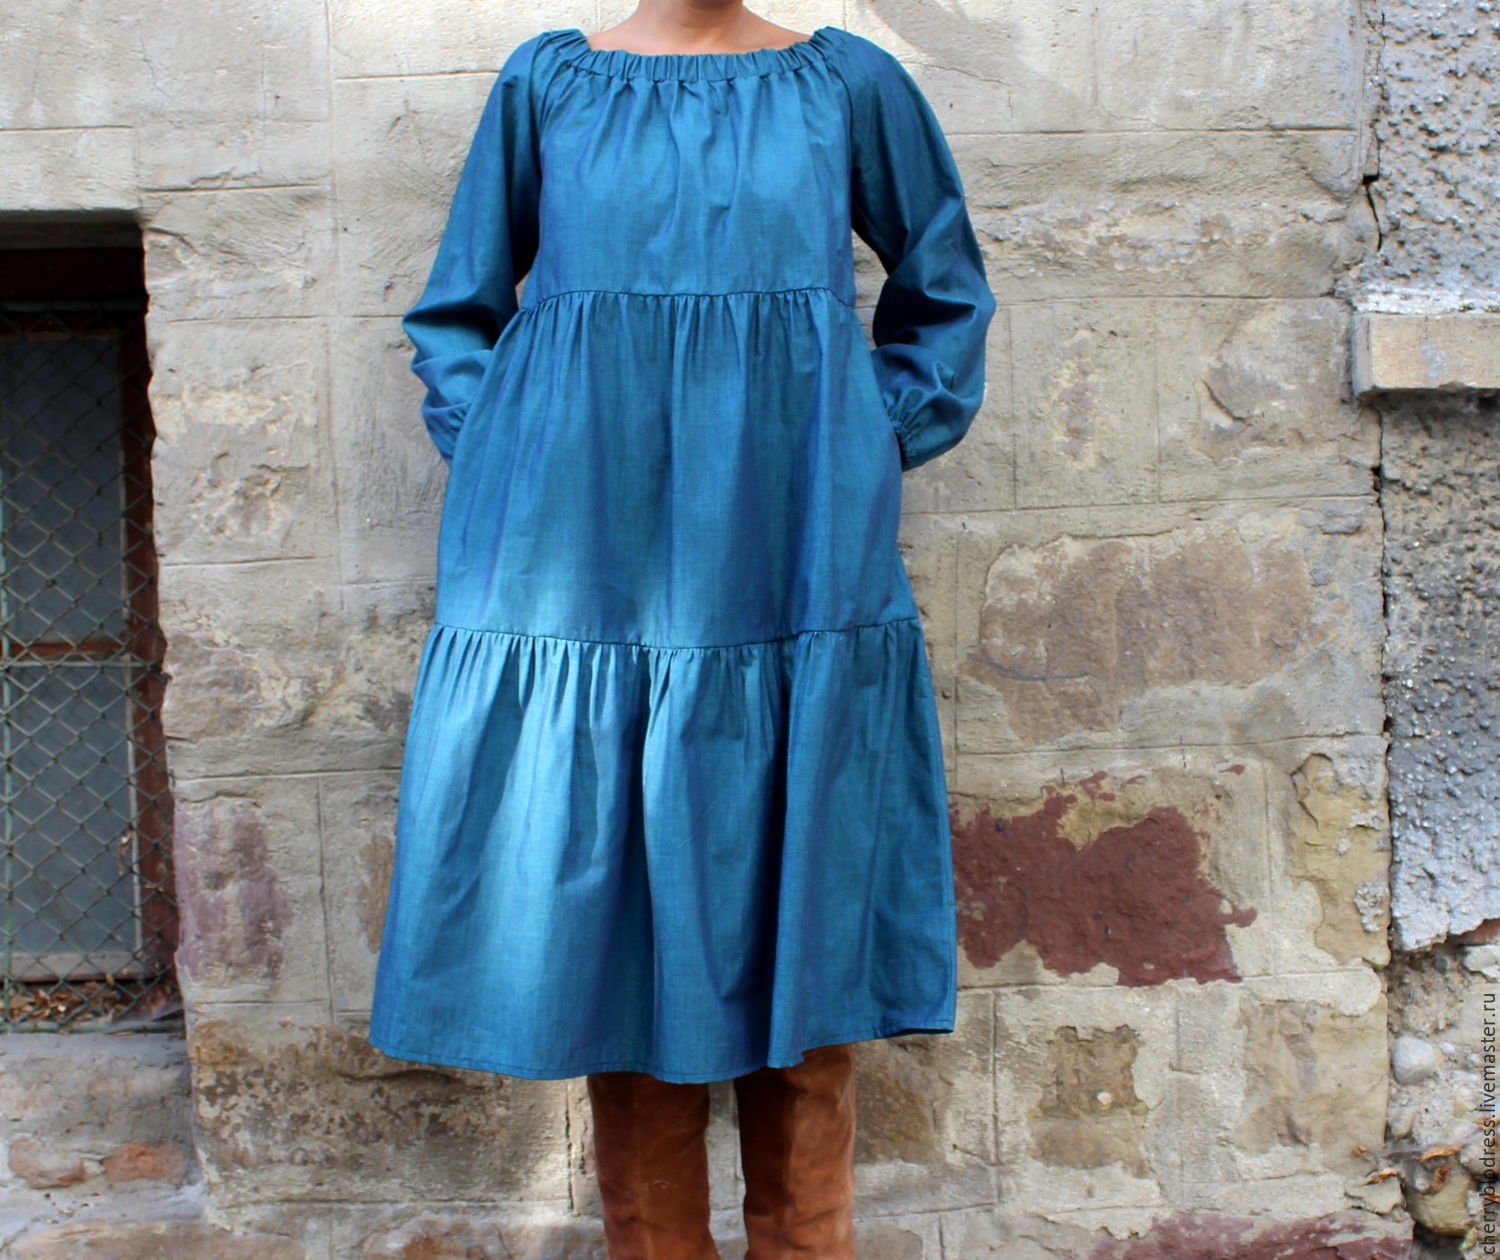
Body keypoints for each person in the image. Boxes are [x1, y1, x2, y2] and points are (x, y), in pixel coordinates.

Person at [368, 3, 996, 1254]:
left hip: (791, 548)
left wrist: (864, 439)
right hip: (588, 559)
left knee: (805, 949)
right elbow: (457, 310)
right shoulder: (550, 85)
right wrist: (510, 446)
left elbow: (946, 293)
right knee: (624, 962)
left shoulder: (847, 86)